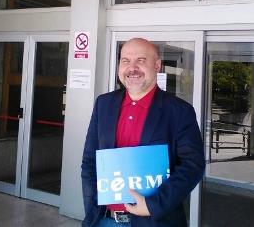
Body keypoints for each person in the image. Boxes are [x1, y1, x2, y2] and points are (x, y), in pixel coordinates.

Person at [81, 38, 205, 227]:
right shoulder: (103, 104)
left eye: (141, 60)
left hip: (154, 220)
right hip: (104, 219)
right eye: (125, 61)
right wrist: (92, 206)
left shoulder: (179, 111)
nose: (132, 68)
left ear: (157, 65)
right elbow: (90, 161)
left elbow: (192, 165)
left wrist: (153, 205)